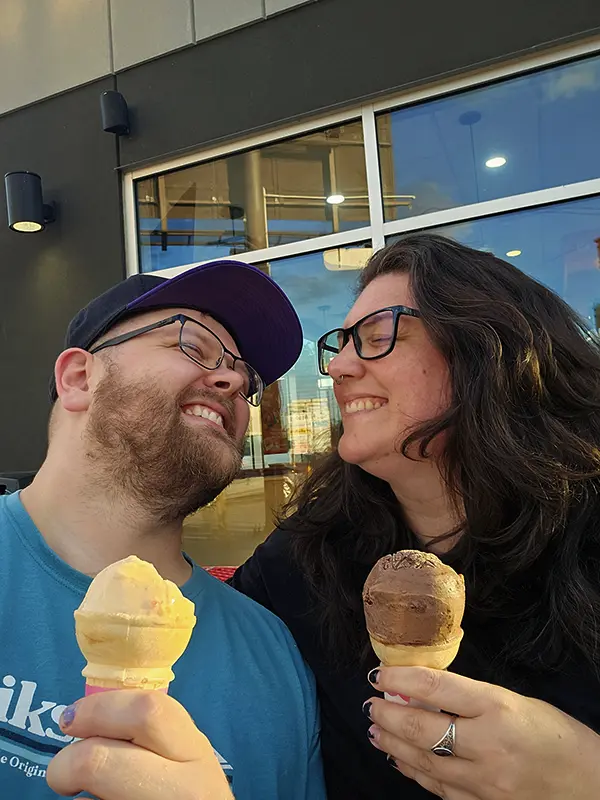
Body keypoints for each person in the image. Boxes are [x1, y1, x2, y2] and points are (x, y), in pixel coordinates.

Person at [231, 234, 600, 799]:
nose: (341, 368)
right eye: (342, 344)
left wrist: (584, 775)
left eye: (379, 337)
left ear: (489, 348)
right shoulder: (306, 561)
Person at [0, 259, 326, 800]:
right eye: (193, 347)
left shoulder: (275, 657)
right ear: (80, 377)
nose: (236, 380)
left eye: (246, 382)